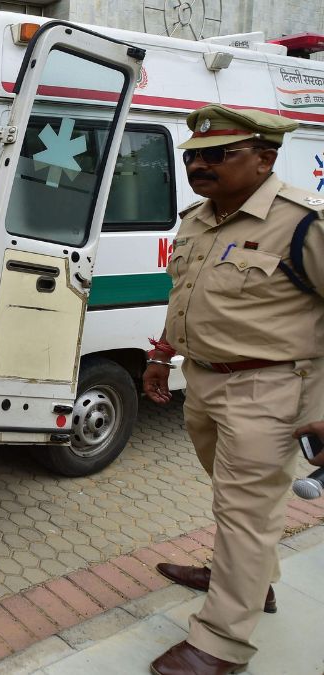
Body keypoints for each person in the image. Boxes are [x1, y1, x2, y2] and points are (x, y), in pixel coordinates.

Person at [143, 105, 323, 675]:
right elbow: (187, 297)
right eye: (192, 155)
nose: (200, 164)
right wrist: (162, 353)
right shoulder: (197, 219)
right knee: (231, 494)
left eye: (219, 154)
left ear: (265, 158)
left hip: (269, 388)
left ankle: (219, 644)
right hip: (204, 381)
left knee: (246, 511)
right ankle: (250, 581)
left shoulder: (300, 223)